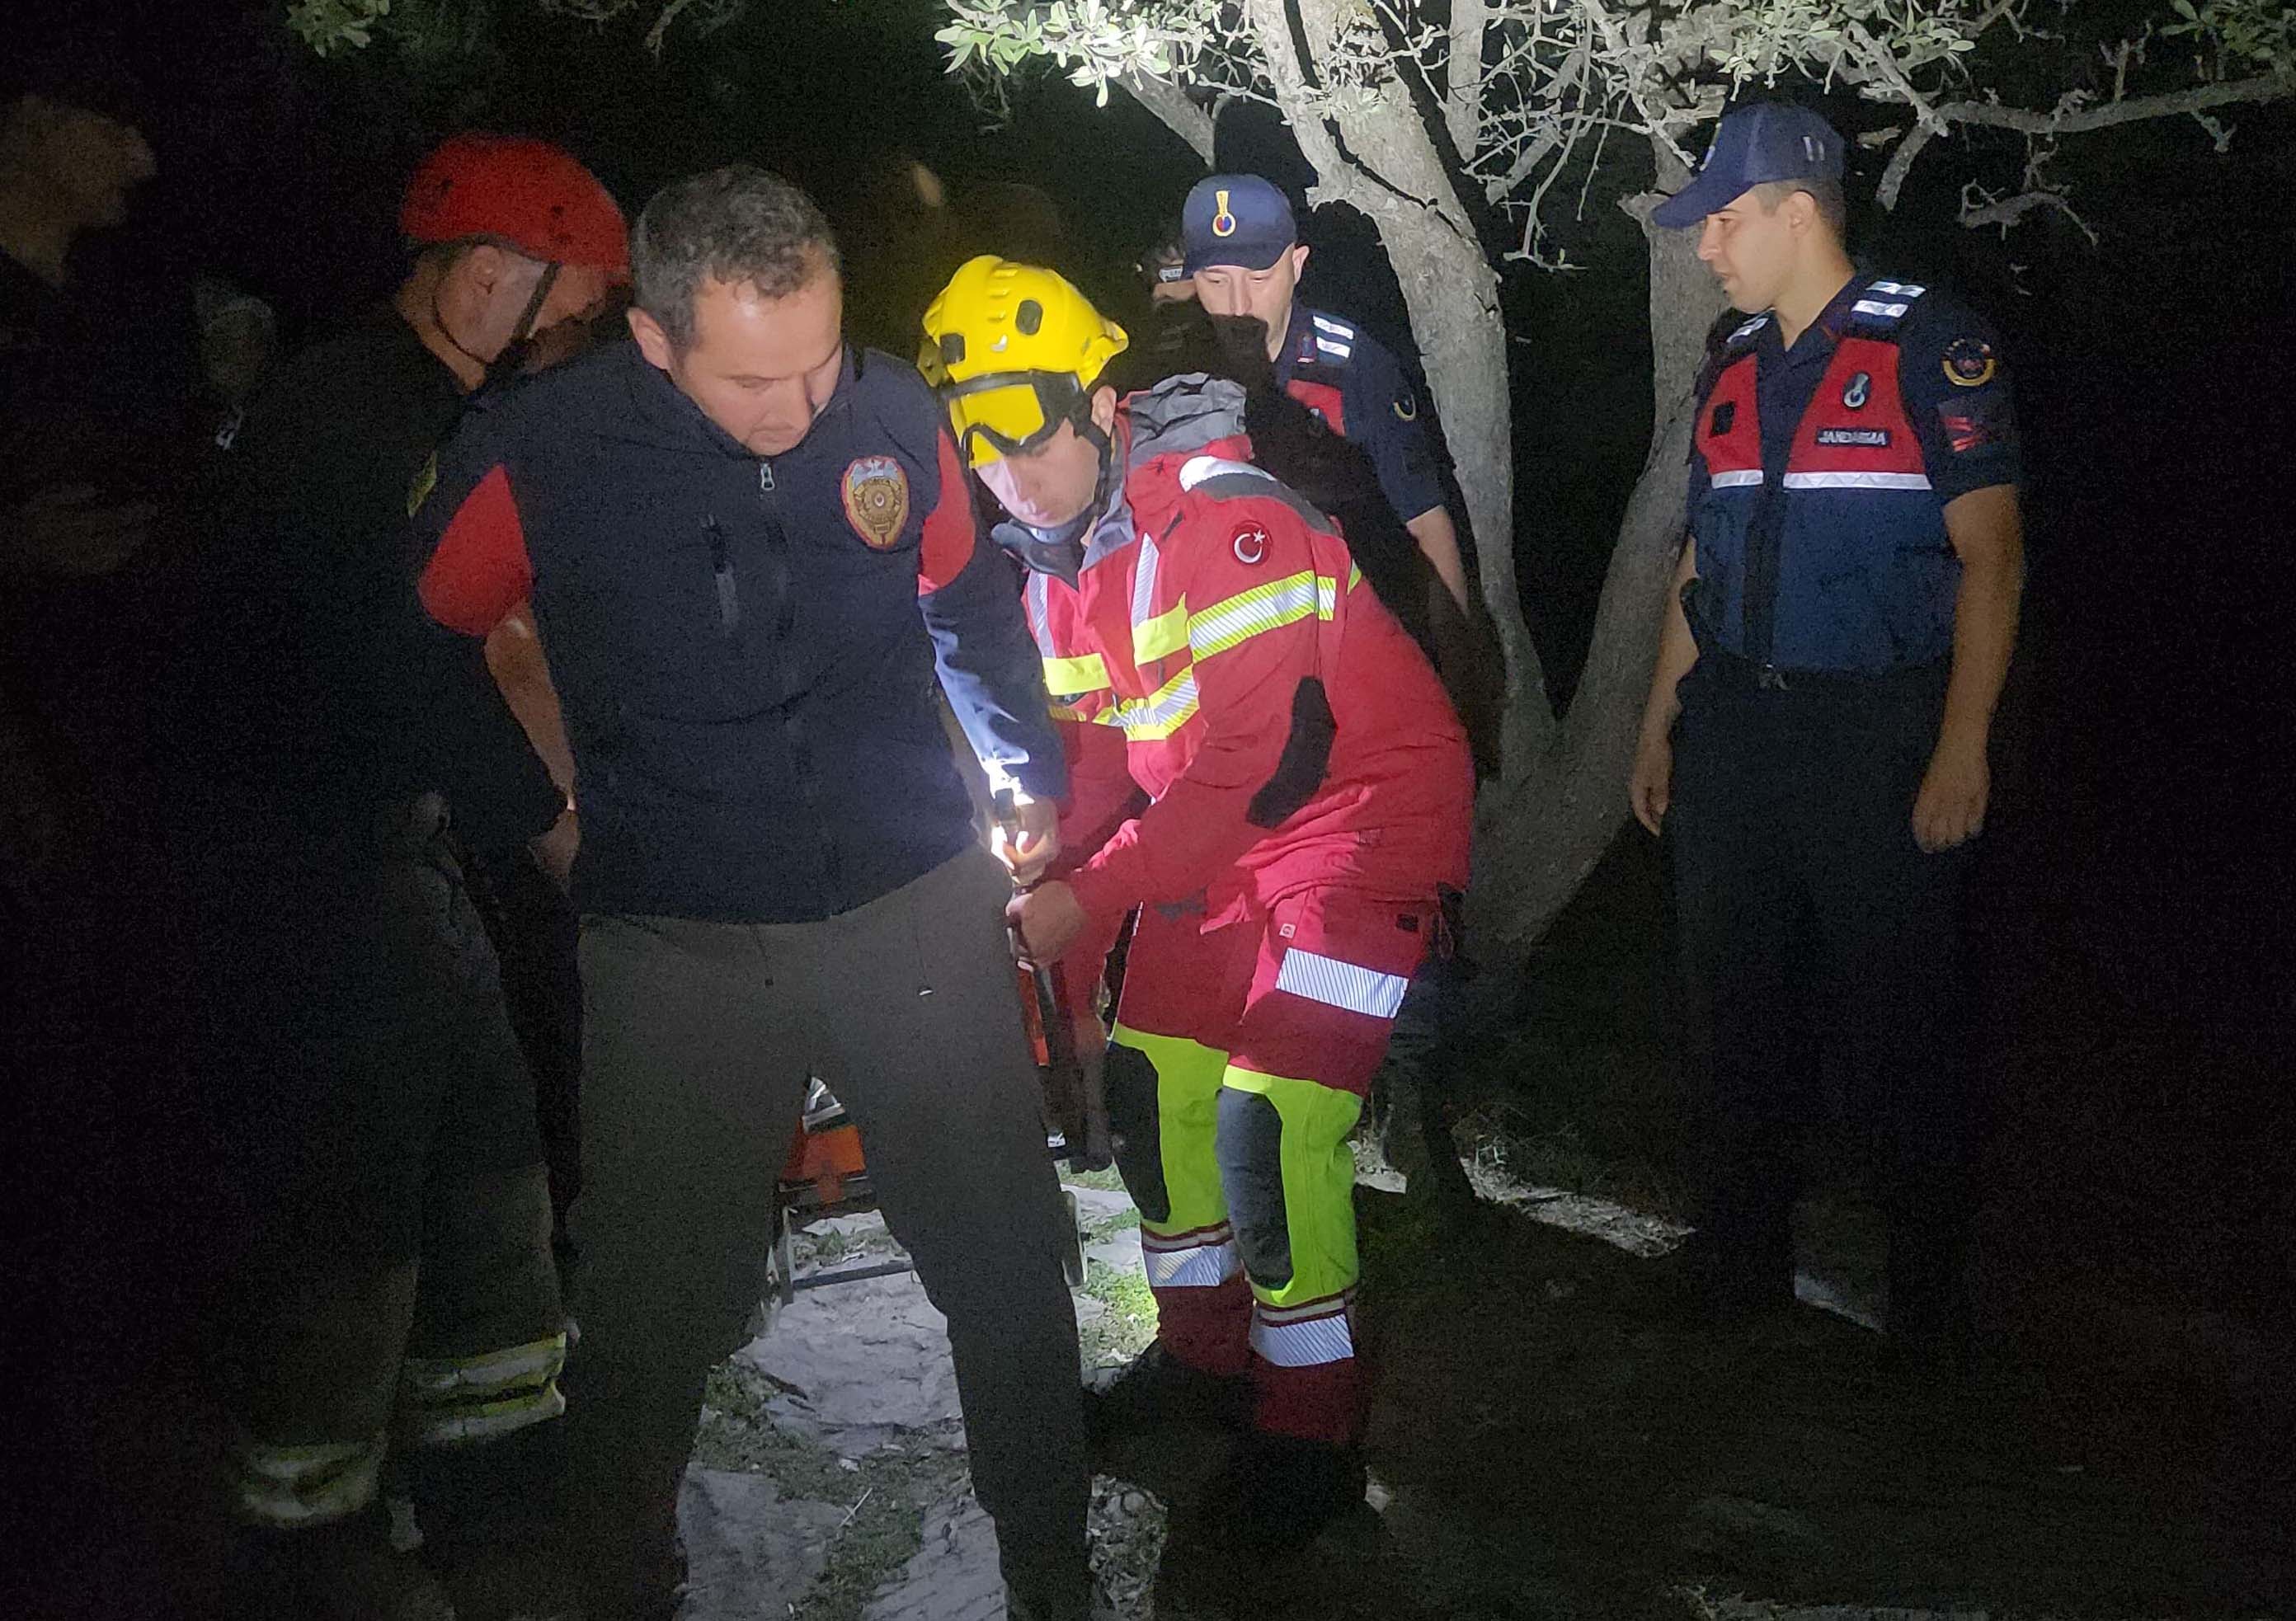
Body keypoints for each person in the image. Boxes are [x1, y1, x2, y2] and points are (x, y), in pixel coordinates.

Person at [412, 166, 1094, 1621]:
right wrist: (541, 824)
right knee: (656, 1302)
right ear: (654, 341)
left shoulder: (896, 411)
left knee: (1007, 1259)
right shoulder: (542, 447)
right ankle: (622, 1579)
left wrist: (1025, 768)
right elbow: (414, 644)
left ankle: (1052, 1564)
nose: (798, 409)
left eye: (820, 362)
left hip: (911, 902)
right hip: (677, 934)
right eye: (751, 380)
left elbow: (964, 598)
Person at [920, 256, 1473, 1562]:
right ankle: (1206, 1356)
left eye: (1025, 436)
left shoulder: (1230, 520)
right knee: (1157, 1099)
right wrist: (1053, 843)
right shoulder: (1060, 554)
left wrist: (1093, 891)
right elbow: (1111, 748)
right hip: (1230, 843)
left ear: (1098, 405)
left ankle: (1311, 1428)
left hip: (1360, 829)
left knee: (1269, 1124)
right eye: (978, 448)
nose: (1008, 478)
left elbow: (1246, 767)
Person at [166, 132, 625, 1618]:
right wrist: (570, 851)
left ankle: (495, 1486)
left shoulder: (404, 401)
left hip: (394, 863)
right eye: (567, 309)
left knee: (486, 1169)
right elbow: (436, 664)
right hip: (307, 879)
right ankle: (307, 1546)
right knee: (351, 1215)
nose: (574, 339)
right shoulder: (371, 421)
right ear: (490, 275)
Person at [1627, 102, 2024, 1369]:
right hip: (1737, 723)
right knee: (1731, 1007)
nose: (1707, 249)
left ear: (1799, 213)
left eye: (1725, 221)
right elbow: (1704, 558)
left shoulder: (1933, 348)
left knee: (1900, 1018)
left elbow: (1993, 559)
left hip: (1875, 730)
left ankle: (1930, 1305)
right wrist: (1657, 727)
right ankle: (1739, 1260)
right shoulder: (1733, 364)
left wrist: (1962, 747)